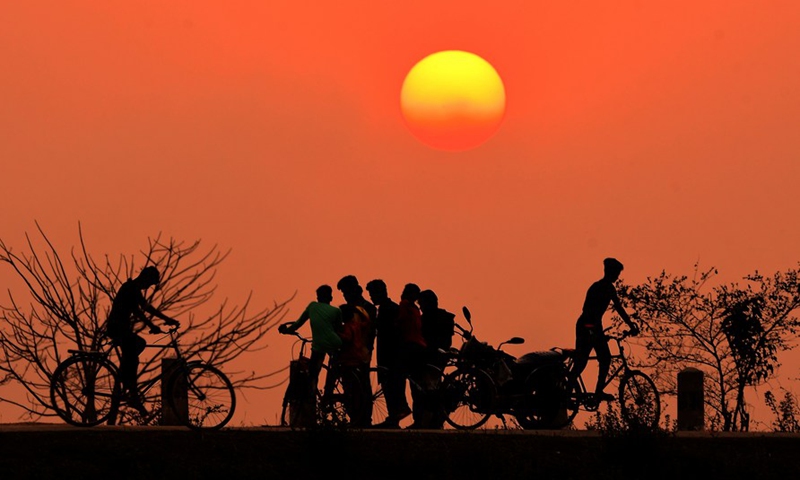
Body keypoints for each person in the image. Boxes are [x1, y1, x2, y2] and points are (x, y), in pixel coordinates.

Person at [104, 266, 180, 414]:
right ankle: (130, 389)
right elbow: (138, 311)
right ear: (145, 278)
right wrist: (152, 325)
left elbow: (147, 308)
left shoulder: (134, 288)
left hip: (121, 328)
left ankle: (129, 385)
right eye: (150, 283)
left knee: (133, 354)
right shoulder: (130, 288)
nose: (148, 287)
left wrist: (166, 319)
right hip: (117, 328)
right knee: (138, 345)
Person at [570, 258, 639, 403]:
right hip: (588, 326)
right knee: (600, 359)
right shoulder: (602, 288)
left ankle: (571, 388)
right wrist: (595, 331)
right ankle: (594, 391)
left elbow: (619, 308)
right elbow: (589, 311)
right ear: (610, 272)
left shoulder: (604, 287)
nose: (617, 276)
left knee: (584, 360)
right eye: (616, 273)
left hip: (590, 326)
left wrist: (630, 324)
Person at [278, 285, 343, 395]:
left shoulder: (312, 306)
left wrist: (286, 331)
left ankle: (311, 394)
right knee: (334, 367)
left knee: (313, 374)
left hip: (319, 345)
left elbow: (298, 323)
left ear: (318, 298)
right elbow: (339, 330)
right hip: (335, 342)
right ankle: (329, 393)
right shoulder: (336, 311)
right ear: (330, 298)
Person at [365, 279, 411, 428]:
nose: (371, 298)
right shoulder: (390, 308)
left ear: (380, 293)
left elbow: (389, 332)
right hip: (392, 355)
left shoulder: (387, 309)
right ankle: (394, 418)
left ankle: (395, 415)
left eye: (372, 294)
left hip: (390, 355)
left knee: (391, 387)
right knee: (392, 387)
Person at [337, 284, 374, 427]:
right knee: (357, 388)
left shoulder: (361, 309)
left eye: (346, 292)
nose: (345, 296)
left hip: (357, 354)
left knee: (359, 388)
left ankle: (362, 419)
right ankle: (358, 418)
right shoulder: (362, 310)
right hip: (361, 352)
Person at [417, 289, 455, 429]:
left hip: (430, 358)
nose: (420, 307)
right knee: (435, 388)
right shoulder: (445, 317)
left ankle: (427, 422)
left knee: (429, 390)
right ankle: (435, 420)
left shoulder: (428, 318)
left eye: (421, 304)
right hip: (441, 358)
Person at [394, 283, 428, 429]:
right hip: (420, 346)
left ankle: (403, 408)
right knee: (417, 384)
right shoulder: (415, 309)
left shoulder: (404, 306)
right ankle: (419, 418)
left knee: (399, 378)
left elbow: (400, 324)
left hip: (409, 346)